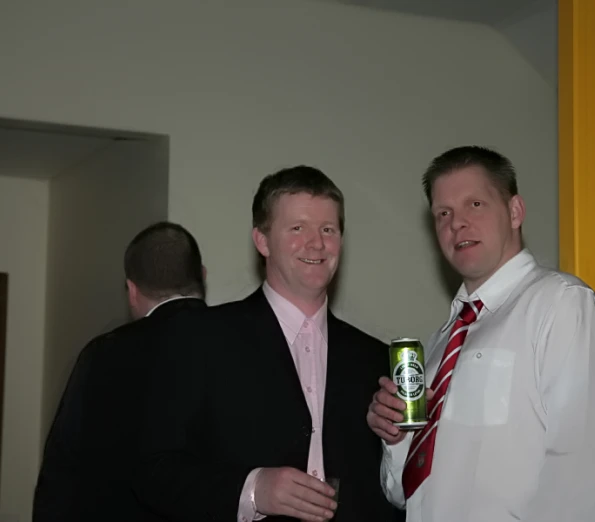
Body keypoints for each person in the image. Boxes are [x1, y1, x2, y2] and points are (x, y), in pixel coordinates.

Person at [366, 146, 595, 521]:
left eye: (475, 205)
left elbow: (586, 467)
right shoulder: (443, 341)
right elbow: (403, 495)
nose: (457, 223)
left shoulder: (561, 305)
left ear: (515, 211)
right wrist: (397, 436)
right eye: (444, 213)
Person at [134, 166, 399, 522]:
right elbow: (154, 471)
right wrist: (254, 489)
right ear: (262, 241)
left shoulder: (375, 359)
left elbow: (394, 488)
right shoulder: (202, 338)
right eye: (297, 228)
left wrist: (399, 442)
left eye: (328, 229)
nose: (317, 243)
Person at [33, 221, 208, 522]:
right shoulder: (243, 342)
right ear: (203, 276)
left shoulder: (104, 355)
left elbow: (62, 473)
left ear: (131, 290)